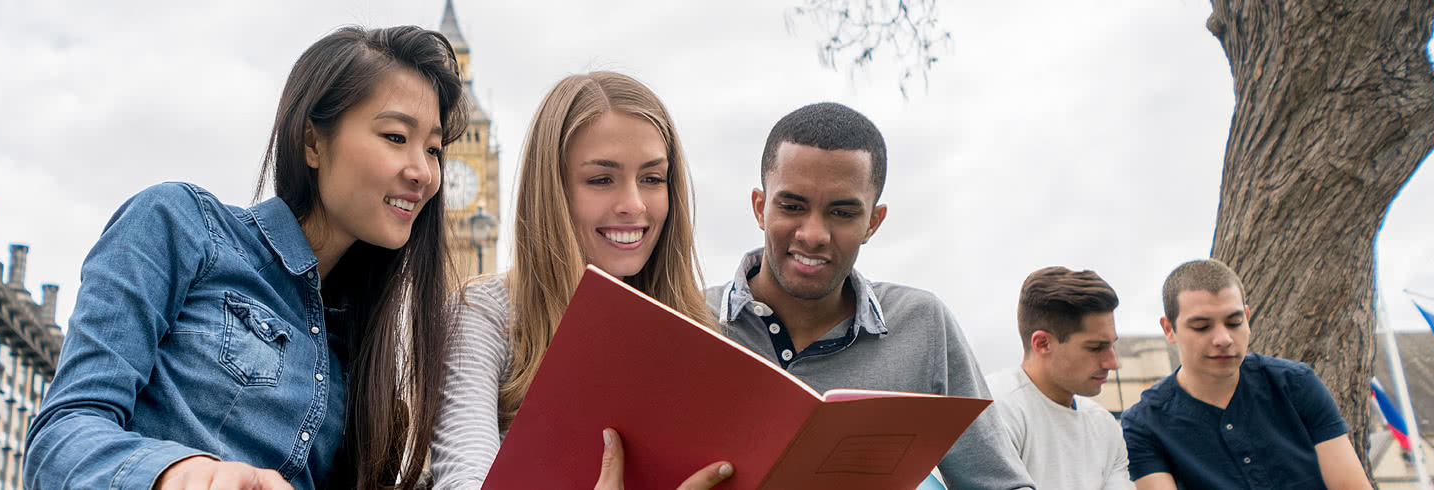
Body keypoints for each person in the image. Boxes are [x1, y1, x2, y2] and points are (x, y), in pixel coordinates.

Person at [24, 26, 466, 490]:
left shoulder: (364, 349)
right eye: (396, 137)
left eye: (434, 150)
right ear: (313, 143)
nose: (423, 172)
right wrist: (181, 475)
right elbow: (60, 439)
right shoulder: (180, 225)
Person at [704, 101, 1035, 489]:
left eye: (842, 213)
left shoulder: (923, 325)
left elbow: (1002, 484)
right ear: (760, 208)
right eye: (792, 206)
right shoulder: (689, 317)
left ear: (873, 223)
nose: (813, 234)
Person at [428, 71, 730, 490]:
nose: (633, 204)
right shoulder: (482, 316)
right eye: (601, 180)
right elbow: (464, 477)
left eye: (653, 178)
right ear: (552, 190)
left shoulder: (703, 329)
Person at [1121, 259, 1373, 490]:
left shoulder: (1295, 384)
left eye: (1234, 322)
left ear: (1248, 318)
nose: (1223, 339)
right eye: (1202, 326)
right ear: (1169, 329)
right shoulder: (1145, 424)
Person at [985, 267, 1133, 489]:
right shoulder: (992, 411)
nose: (1113, 363)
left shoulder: (1104, 425)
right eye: (1095, 348)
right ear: (1043, 344)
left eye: (1112, 345)